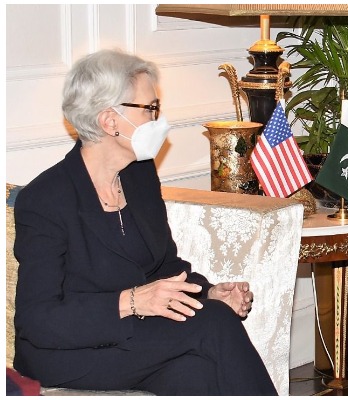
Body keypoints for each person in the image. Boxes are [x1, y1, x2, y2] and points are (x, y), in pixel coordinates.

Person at [13, 49, 277, 395]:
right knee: (213, 323)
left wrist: (208, 292)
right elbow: (38, 320)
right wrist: (132, 301)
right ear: (110, 121)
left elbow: (165, 266)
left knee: (197, 373)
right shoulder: (46, 200)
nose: (159, 119)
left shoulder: (138, 175)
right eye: (150, 108)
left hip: (139, 338)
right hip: (72, 355)